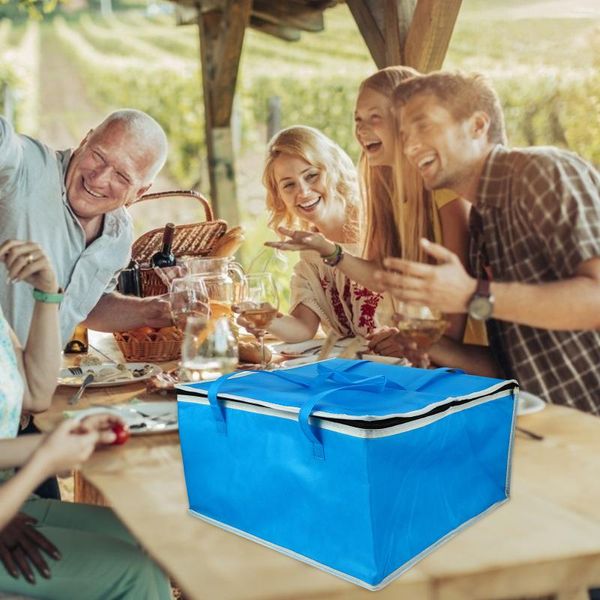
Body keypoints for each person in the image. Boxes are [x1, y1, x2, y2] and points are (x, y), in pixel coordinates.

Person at [376, 70, 600, 414]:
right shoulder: (483, 218)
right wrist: (432, 346)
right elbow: (510, 367)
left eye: (423, 126)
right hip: (549, 427)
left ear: (477, 126)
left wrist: (470, 294)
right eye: (404, 135)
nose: (409, 146)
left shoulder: (542, 172)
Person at [267, 67, 486, 358]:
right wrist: (329, 252)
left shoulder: (446, 189)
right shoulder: (387, 189)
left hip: (478, 357)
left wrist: (414, 341)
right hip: (434, 354)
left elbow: (456, 316)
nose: (361, 129)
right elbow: (381, 276)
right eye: (357, 119)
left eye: (374, 117)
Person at [0, 239, 172, 598]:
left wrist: (48, 293)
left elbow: (35, 393)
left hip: (13, 500)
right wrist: (44, 459)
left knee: (151, 538)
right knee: (132, 574)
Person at [0, 109, 173, 348]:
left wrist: (152, 310)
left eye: (122, 176)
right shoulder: (29, 168)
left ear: (140, 192)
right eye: (99, 156)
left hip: (35, 380)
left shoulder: (118, 235)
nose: (99, 178)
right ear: (85, 141)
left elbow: (88, 305)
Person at [243, 125, 383, 343]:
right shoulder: (311, 254)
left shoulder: (378, 223)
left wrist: (328, 250)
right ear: (279, 197)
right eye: (289, 185)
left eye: (311, 175)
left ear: (333, 168)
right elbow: (303, 328)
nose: (303, 192)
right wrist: (265, 320)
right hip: (355, 369)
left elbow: (384, 282)